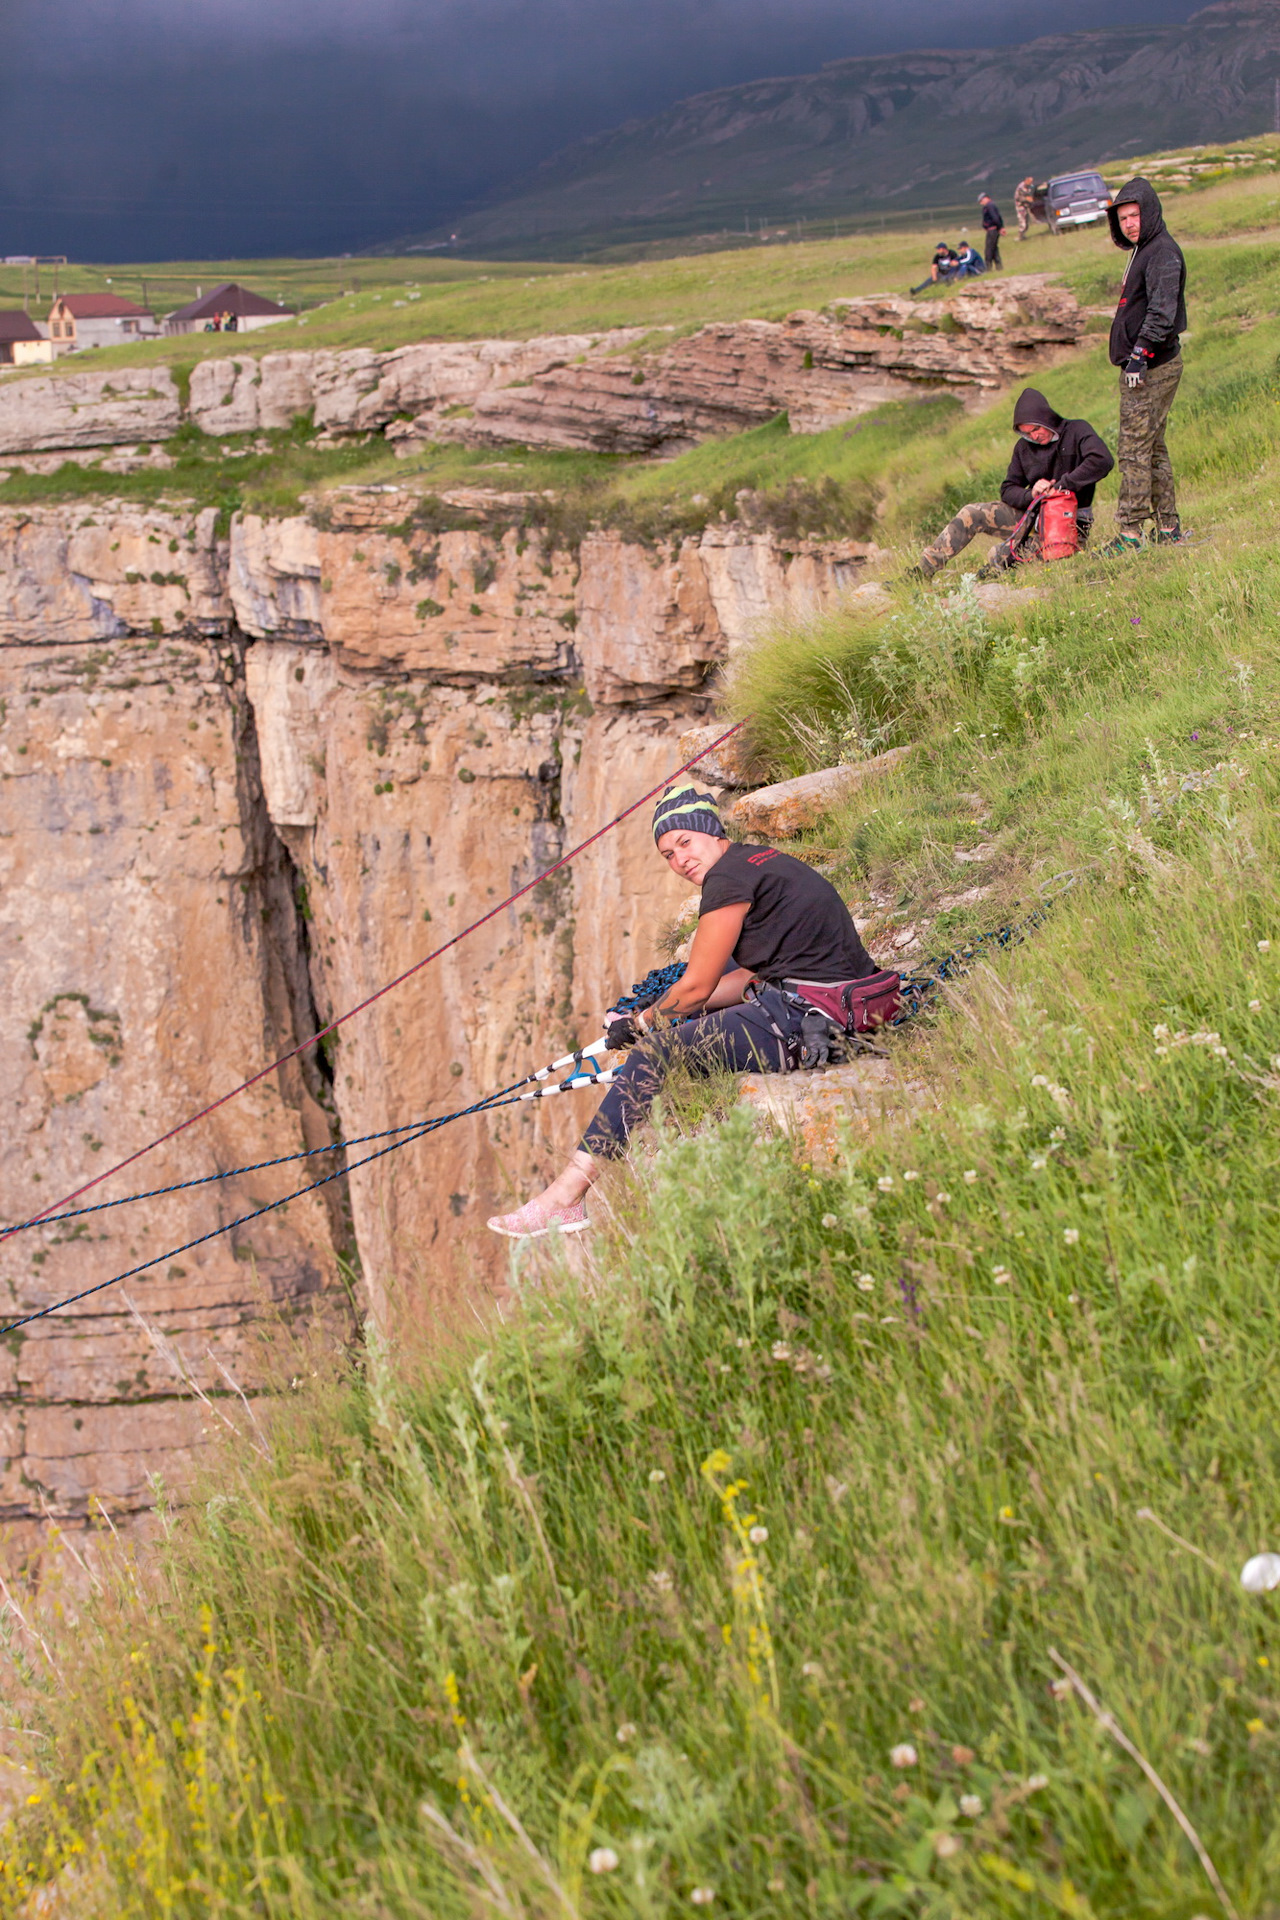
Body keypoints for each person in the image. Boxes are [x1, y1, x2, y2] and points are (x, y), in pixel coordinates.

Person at [486, 782, 879, 1238]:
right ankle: (565, 1195)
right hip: (844, 1002)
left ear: (711, 831)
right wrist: (659, 1010)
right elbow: (747, 977)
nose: (679, 859)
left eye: (684, 841)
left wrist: (643, 1025)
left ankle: (564, 1198)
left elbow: (695, 989)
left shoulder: (727, 880)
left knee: (655, 1055)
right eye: (668, 854)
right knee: (679, 1027)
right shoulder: (758, 861)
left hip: (810, 1015)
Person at [915, 386, 1114, 579]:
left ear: (1047, 419)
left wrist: (1062, 485)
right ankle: (922, 571)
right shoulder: (1023, 448)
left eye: (1036, 429)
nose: (1034, 436)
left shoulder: (1077, 430)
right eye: (1027, 433)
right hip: (1032, 515)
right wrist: (1031, 494)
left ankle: (988, 574)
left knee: (997, 554)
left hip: (1069, 522)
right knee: (971, 513)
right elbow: (1008, 489)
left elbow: (1102, 460)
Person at [1100, 176, 1188, 554]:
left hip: (1151, 368)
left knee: (1134, 449)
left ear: (1150, 212)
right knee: (1152, 448)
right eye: (1123, 219)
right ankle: (1167, 528)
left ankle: (1130, 534)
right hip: (1147, 365)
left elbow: (1162, 312)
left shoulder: (1163, 253)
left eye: (1135, 215)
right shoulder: (1144, 250)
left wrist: (1139, 356)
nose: (1130, 224)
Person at [979, 194, 1005, 271]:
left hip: (992, 230)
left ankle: (988, 268)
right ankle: (999, 267)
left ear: (986, 198)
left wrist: (1000, 228)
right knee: (994, 249)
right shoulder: (991, 206)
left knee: (989, 250)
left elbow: (996, 218)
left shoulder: (989, 206)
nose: (981, 203)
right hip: (992, 230)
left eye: (981, 201)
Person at [1014, 175, 1036, 241]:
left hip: (1026, 206)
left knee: (1026, 223)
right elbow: (1017, 198)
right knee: (1022, 223)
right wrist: (1026, 199)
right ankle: (1020, 237)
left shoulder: (1029, 187)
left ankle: (1023, 236)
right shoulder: (1021, 187)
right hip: (1020, 207)